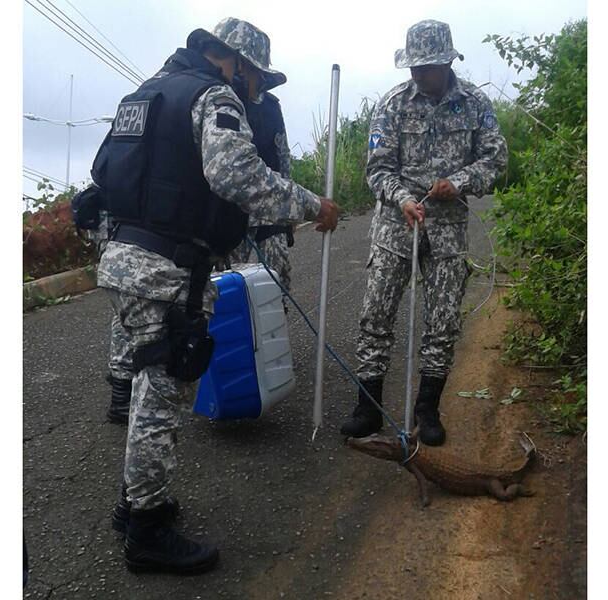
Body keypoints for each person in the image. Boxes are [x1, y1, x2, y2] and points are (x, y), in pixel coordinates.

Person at [92, 17, 339, 574]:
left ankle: (134, 504)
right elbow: (238, 176)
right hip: (168, 268)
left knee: (146, 387)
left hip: (124, 259)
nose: (254, 93)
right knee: (163, 393)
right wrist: (311, 206)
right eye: (255, 79)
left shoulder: (144, 94)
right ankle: (147, 531)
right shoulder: (214, 94)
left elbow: (102, 172)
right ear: (239, 64)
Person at [340, 20, 507, 446]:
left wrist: (461, 183)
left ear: (445, 62)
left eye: (425, 67)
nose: (417, 75)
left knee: (443, 321)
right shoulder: (393, 104)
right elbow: (377, 169)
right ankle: (369, 408)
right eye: (412, 67)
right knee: (376, 315)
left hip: (448, 228)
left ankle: (427, 410)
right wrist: (401, 198)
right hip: (396, 225)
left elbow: (495, 161)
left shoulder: (475, 104)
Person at [228, 69, 295, 294]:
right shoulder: (226, 102)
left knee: (279, 270)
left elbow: (283, 153)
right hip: (234, 206)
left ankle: (276, 318)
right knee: (232, 278)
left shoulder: (272, 107)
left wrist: (289, 206)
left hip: (271, 202)